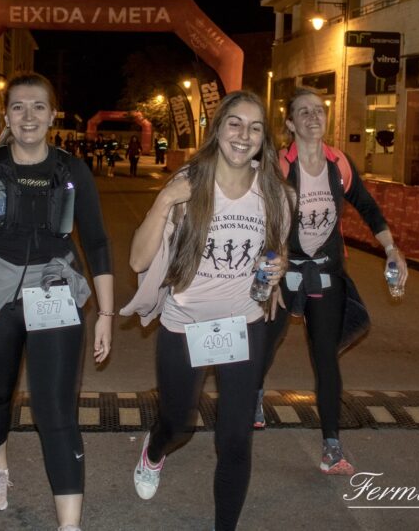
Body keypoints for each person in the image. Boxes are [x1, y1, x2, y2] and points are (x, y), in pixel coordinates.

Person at [0, 72, 114, 531]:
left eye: (38, 106)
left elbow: (97, 242)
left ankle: (69, 525)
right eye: (18, 106)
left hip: (54, 287)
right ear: (6, 116)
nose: (28, 116)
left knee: (55, 408)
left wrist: (105, 312)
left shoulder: (72, 170)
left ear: (53, 115)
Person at [123, 91, 292, 531]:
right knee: (180, 424)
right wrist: (164, 200)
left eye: (255, 128)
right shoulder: (189, 183)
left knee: (235, 439)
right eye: (235, 123)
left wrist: (278, 267)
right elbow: (138, 261)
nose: (244, 135)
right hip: (184, 325)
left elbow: (277, 249)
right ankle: (154, 451)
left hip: (243, 325)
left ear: (264, 139)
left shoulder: (273, 192)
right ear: (217, 129)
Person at [261, 86, 407, 475]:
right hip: (285, 270)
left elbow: (367, 206)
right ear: (291, 123)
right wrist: (270, 275)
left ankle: (331, 445)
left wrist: (391, 248)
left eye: (319, 110)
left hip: (326, 270)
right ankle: (255, 391)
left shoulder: (338, 163)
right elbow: (267, 219)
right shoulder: (279, 166)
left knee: (325, 356)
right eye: (304, 112)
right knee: (267, 340)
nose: (313, 117)